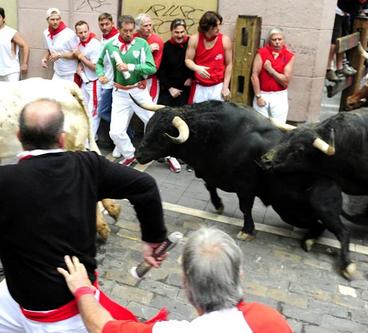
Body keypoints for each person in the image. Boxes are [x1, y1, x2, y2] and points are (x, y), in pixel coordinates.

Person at [0, 98, 167, 332]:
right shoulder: (88, 165)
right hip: (60, 299)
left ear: (18, 136)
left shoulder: (3, 180)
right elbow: (145, 185)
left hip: (40, 305)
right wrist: (153, 238)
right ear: (61, 138)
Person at [57, 227, 293, 333]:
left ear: (185, 284)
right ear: (239, 275)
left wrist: (82, 289)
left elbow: (101, 328)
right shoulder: (271, 318)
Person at [95, 15, 157, 167]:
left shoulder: (142, 44)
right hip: (120, 94)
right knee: (115, 132)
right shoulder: (110, 45)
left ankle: (170, 155)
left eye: (131, 30)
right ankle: (130, 154)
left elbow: (152, 68)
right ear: (119, 30)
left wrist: (130, 67)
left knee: (155, 123)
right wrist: (101, 75)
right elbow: (99, 63)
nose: (129, 34)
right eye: (125, 31)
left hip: (139, 92)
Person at [185, 11, 232, 103]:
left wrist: (225, 87)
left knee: (217, 115)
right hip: (200, 86)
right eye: (215, 26)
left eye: (219, 25)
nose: (219, 28)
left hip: (218, 85)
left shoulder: (225, 40)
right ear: (207, 27)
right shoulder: (194, 39)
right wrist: (196, 67)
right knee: (198, 115)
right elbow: (187, 60)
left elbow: (229, 64)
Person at [251, 28, 295, 124]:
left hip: (279, 95)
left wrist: (271, 70)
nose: (277, 42)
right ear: (269, 41)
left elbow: (286, 81)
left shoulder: (289, 56)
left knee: (279, 126)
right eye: (274, 40)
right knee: (260, 125)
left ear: (284, 40)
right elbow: (254, 75)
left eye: (279, 39)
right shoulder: (262, 53)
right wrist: (258, 96)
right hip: (262, 93)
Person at [74, 20, 103, 138]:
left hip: (95, 81)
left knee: (94, 112)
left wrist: (81, 58)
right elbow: (83, 60)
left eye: (85, 31)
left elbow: (96, 67)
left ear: (89, 30)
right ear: (77, 33)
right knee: (83, 109)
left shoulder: (95, 45)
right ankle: (90, 136)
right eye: (80, 32)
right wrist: (80, 63)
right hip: (85, 81)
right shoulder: (80, 44)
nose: (83, 34)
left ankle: (90, 140)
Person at [158, 19, 192, 106]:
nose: (180, 35)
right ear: (171, 31)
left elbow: (197, 62)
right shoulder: (166, 47)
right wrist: (170, 88)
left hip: (186, 89)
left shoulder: (191, 44)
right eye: (176, 32)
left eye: (182, 32)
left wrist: (191, 78)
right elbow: (161, 70)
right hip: (169, 88)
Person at [41, 8, 79, 81]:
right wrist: (44, 58)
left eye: (57, 19)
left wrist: (60, 55)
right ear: (47, 20)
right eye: (52, 19)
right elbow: (49, 49)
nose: (55, 22)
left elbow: (77, 55)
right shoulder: (46, 33)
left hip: (71, 74)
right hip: (57, 73)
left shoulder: (69, 34)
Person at [96, 13, 118, 130]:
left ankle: (128, 133)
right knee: (106, 111)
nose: (104, 27)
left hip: (114, 83)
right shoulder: (103, 37)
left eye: (107, 24)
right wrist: (101, 74)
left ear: (112, 24)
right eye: (101, 24)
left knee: (104, 112)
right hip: (105, 81)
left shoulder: (117, 39)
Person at [134, 13, 164, 103]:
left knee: (149, 109)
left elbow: (153, 68)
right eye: (145, 26)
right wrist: (147, 51)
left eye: (150, 25)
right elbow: (128, 60)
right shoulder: (133, 38)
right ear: (138, 27)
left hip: (149, 80)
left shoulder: (157, 41)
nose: (149, 28)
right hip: (133, 79)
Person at [0, 7, 29, 81]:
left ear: (4, 18)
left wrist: (24, 64)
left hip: (11, 71)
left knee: (13, 92)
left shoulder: (10, 32)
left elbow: (25, 45)